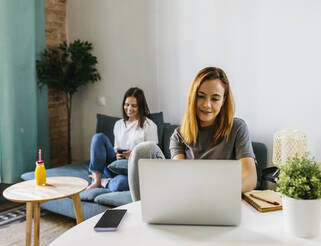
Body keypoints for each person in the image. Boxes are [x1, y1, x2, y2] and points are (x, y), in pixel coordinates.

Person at [128, 67, 257, 201]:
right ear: (192, 97)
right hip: (190, 199)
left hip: (222, 199)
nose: (207, 104)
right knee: (144, 150)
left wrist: (213, 190)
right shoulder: (178, 135)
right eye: (201, 96)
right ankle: (143, 211)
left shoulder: (237, 128)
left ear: (223, 100)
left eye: (215, 98)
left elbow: (250, 178)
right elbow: (180, 179)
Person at [87, 87, 158, 191]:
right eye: (127, 104)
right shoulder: (118, 124)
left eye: (134, 105)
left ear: (140, 107)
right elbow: (116, 147)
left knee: (120, 184)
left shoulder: (149, 126)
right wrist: (117, 154)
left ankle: (105, 182)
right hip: (115, 165)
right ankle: (97, 180)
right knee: (98, 137)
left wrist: (133, 155)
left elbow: (152, 155)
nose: (129, 108)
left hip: (133, 170)